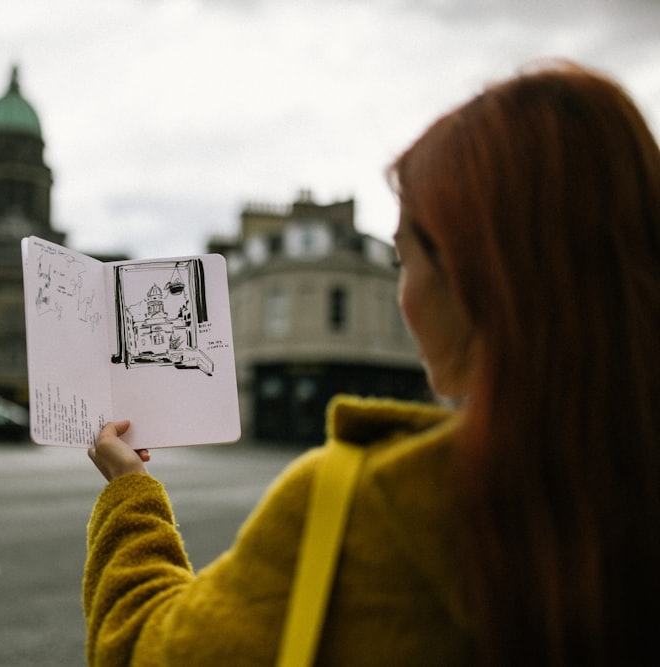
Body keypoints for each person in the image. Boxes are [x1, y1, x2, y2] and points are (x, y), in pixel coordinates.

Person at [84, 59, 660, 667]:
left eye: (406, 259)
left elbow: (142, 650)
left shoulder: (371, 506)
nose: (400, 293)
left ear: (474, 277)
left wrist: (131, 493)